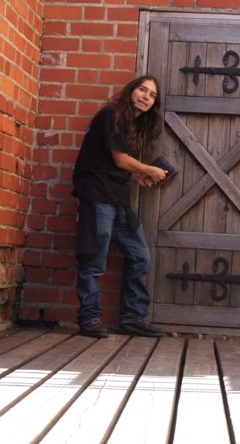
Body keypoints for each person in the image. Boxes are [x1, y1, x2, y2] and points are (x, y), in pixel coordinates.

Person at [72, 75, 168, 338]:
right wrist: (148, 168)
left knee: (140, 256)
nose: (145, 97)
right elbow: (119, 159)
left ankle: (133, 319)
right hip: (97, 196)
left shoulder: (131, 126)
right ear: (131, 91)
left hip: (118, 198)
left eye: (151, 95)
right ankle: (89, 319)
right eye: (142, 90)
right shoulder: (112, 115)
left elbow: (114, 163)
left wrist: (136, 176)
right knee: (94, 260)